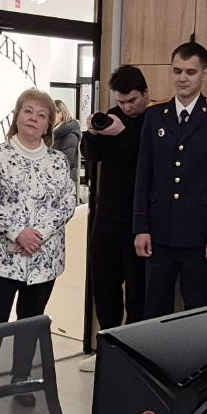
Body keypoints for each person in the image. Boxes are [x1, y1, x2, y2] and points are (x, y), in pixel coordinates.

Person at [0, 88, 77, 394]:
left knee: (31, 322)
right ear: (17, 116)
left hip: (43, 262)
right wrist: (18, 233)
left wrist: (35, 236)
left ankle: (22, 380)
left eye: (41, 115)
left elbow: (67, 203)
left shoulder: (58, 161)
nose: (33, 118)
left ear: (48, 125)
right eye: (28, 111)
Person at [133, 40, 207, 317]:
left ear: (205, 73)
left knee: (198, 312)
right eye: (177, 71)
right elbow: (144, 174)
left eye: (190, 72)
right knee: (154, 311)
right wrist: (141, 227)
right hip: (159, 232)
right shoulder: (155, 114)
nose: (183, 78)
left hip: (201, 234)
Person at [80, 66, 150, 372]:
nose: (127, 107)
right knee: (104, 287)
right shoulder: (111, 117)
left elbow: (145, 160)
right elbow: (90, 154)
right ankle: (106, 351)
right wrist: (93, 133)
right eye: (121, 102)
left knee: (137, 291)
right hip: (106, 217)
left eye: (132, 100)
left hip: (139, 222)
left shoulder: (155, 120)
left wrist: (122, 134)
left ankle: (133, 355)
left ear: (145, 93)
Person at [52, 98, 82, 177]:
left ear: (61, 114)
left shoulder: (70, 136)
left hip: (63, 180)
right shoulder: (53, 133)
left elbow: (65, 163)